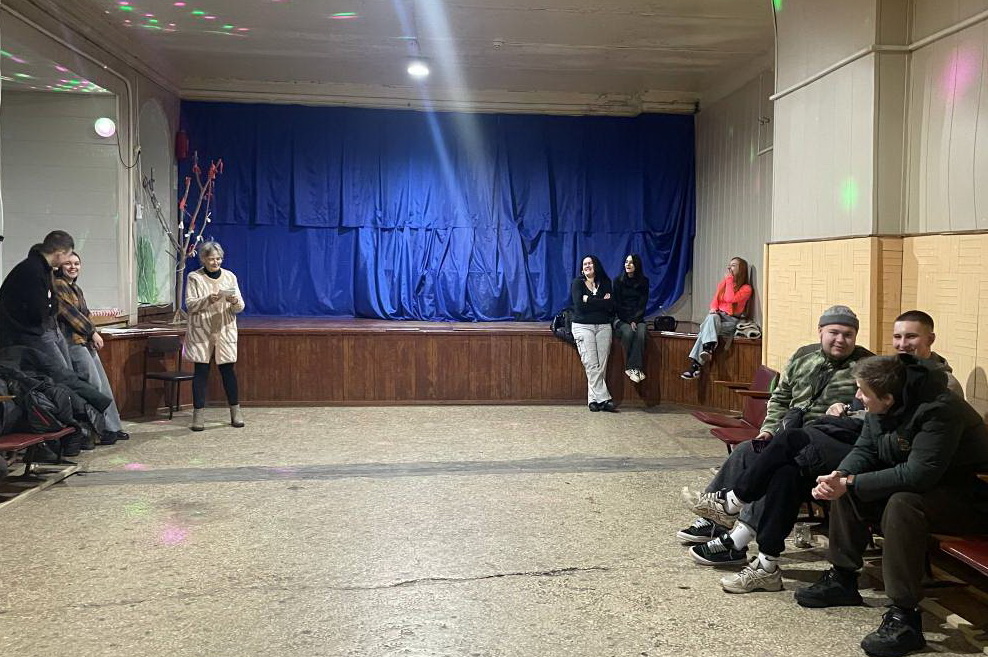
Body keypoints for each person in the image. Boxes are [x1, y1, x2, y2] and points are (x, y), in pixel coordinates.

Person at [797, 354, 988, 657]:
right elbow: (865, 449)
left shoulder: (939, 410)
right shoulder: (883, 403)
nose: (857, 397)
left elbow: (918, 474)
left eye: (863, 392)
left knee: (901, 504)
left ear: (888, 398)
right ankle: (842, 579)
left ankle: (905, 618)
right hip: (926, 489)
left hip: (968, 498)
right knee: (848, 489)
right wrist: (840, 475)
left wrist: (852, 482)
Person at [678, 306, 872, 568]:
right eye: (834, 332)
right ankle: (715, 519)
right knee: (747, 450)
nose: (840, 340)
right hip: (786, 434)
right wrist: (768, 429)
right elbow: (780, 398)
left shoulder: (866, 366)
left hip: (823, 442)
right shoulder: (803, 357)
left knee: (777, 469)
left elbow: (869, 411)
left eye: (848, 335)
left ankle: (736, 538)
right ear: (820, 331)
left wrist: (846, 411)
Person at [53, 252, 129, 443]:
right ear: (60, 266)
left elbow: (85, 313)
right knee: (93, 386)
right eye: (68, 263)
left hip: (84, 340)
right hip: (72, 342)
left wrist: (92, 334)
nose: (73, 267)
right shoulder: (59, 285)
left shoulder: (75, 288)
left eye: (77, 263)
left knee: (102, 385)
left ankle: (112, 427)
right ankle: (100, 430)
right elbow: (71, 315)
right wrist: (93, 332)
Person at [185, 241, 245, 431]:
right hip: (202, 331)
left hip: (224, 330)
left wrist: (234, 301)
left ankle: (236, 412)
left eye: (218, 259)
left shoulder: (230, 276)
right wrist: (207, 300)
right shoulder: (195, 277)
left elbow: (240, 307)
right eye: (211, 259)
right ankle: (198, 416)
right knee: (201, 372)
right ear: (203, 259)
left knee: (228, 371)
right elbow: (190, 305)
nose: (215, 262)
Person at [0, 230, 75, 368]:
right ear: (59, 253)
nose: (67, 260)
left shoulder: (41, 269)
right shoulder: (34, 271)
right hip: (25, 333)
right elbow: (36, 311)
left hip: (36, 329)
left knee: (65, 370)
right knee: (59, 372)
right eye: (68, 255)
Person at [681, 257, 752, 380]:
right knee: (712, 317)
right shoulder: (724, 283)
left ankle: (696, 366)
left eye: (733, 265)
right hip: (717, 317)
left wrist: (729, 280)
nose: (729, 268)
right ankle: (707, 350)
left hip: (731, 320)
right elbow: (715, 300)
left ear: (741, 269)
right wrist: (713, 309)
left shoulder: (746, 289)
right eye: (729, 265)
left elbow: (730, 299)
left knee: (706, 329)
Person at [571, 255, 616, 412]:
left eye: (590, 263)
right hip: (583, 326)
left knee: (601, 365)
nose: (587, 266)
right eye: (584, 264)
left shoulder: (605, 282)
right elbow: (579, 306)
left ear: (596, 265)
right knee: (591, 364)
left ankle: (593, 400)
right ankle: (605, 398)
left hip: (603, 326)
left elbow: (610, 306)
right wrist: (601, 302)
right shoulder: (577, 283)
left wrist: (588, 300)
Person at [612, 254, 650, 383]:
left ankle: (633, 368)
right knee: (628, 332)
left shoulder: (644, 281)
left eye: (631, 262)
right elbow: (617, 304)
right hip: (620, 317)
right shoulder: (617, 281)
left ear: (637, 265)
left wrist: (635, 320)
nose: (628, 264)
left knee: (642, 331)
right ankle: (633, 367)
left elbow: (642, 304)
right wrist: (629, 320)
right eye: (626, 262)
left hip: (637, 318)